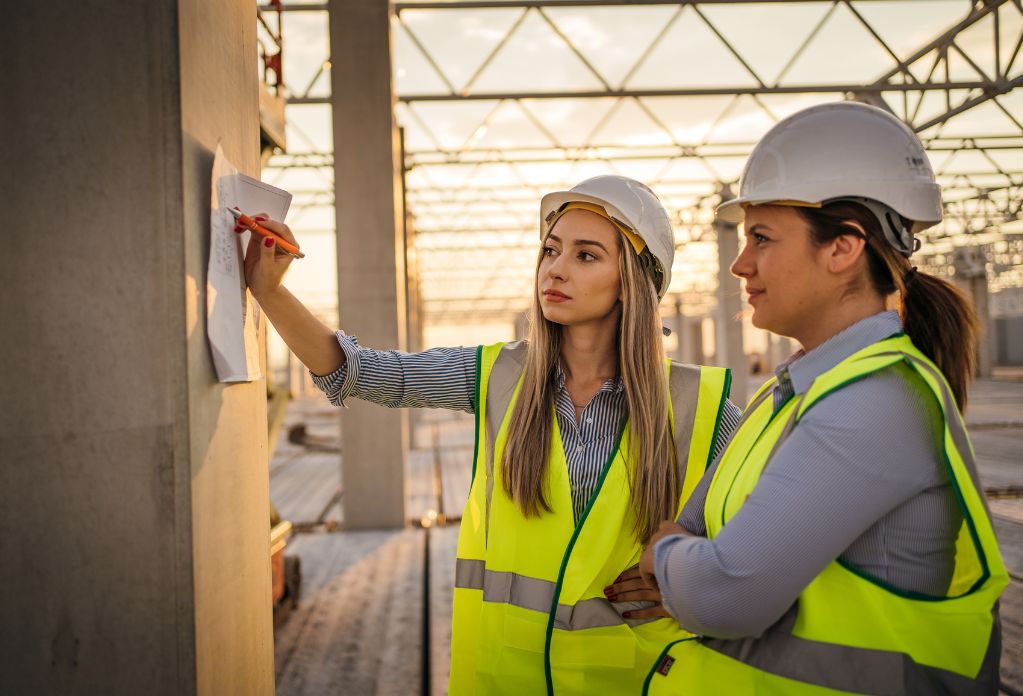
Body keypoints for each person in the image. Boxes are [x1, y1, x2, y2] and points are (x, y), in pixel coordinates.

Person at [242, 175, 743, 694]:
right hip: (508, 680)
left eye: (586, 256)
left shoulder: (699, 405)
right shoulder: (496, 377)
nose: (556, 268)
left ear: (634, 282)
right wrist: (269, 290)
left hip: (634, 681)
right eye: (551, 250)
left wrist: (696, 581)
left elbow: (783, 523)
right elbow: (360, 372)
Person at [625, 102, 1008, 694]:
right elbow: (701, 534)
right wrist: (688, 558)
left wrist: (669, 555)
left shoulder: (875, 404)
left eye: (762, 238)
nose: (738, 263)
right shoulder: (795, 392)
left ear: (843, 248)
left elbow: (724, 594)